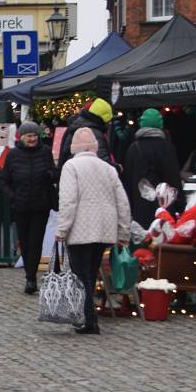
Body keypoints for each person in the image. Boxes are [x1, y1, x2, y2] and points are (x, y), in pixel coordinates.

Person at [54, 128, 131, 336]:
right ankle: (88, 317)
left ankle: (88, 319)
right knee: (91, 271)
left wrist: (62, 229)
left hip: (80, 229)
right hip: (104, 228)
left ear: (74, 148)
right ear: (95, 147)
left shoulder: (71, 166)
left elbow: (68, 201)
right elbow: (122, 202)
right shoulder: (108, 168)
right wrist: (123, 232)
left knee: (82, 275)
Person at [2, 120, 58, 295]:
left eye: (34, 135)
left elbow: (54, 173)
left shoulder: (45, 152)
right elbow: (4, 180)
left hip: (40, 205)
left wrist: (50, 174)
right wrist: (13, 196)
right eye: (29, 136)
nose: (32, 139)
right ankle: (29, 272)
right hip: (21, 205)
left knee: (36, 242)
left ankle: (31, 278)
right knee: (25, 242)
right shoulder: (13, 154)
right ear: (22, 137)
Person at [121, 108, 184, 229]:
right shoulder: (167, 147)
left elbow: (128, 181)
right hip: (165, 207)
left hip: (141, 208)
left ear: (142, 124)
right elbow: (174, 179)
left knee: (143, 238)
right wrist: (180, 206)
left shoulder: (133, 148)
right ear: (160, 125)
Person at [64, 98, 114, 168]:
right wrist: (117, 168)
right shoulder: (94, 133)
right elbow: (102, 163)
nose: (109, 123)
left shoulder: (76, 126)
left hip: (73, 171)